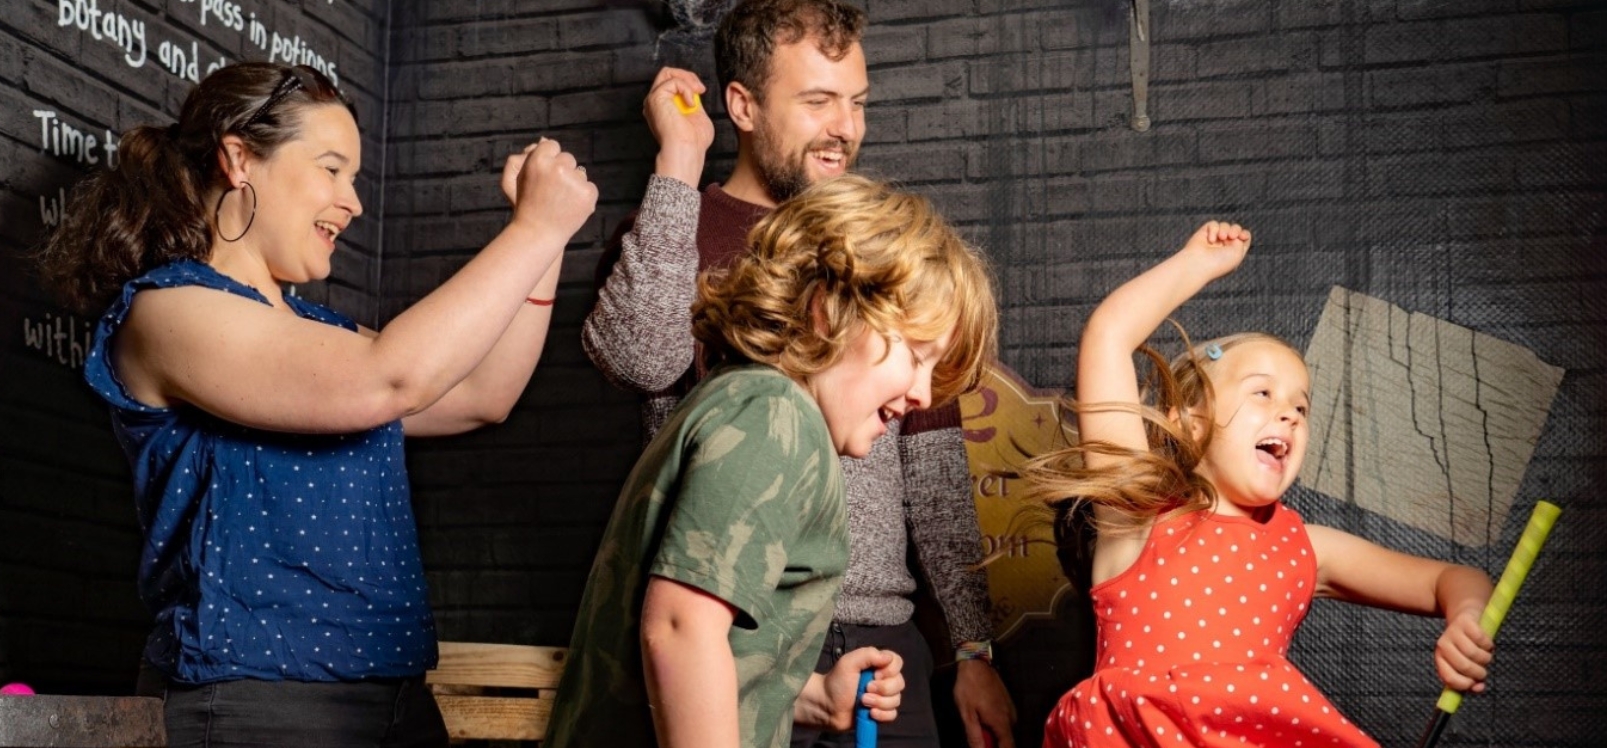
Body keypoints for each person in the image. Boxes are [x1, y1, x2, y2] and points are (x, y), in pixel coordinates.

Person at [35, 62, 596, 746]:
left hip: (391, 705)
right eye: (332, 169)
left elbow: (482, 394)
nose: (352, 201)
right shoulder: (168, 310)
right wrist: (532, 230)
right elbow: (392, 380)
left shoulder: (322, 336)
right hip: (254, 706)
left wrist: (547, 244)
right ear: (239, 158)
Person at [581, 1, 1017, 745]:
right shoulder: (674, 226)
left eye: (856, 103)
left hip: (880, 642)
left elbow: (935, 470)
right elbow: (639, 360)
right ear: (742, 105)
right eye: (818, 101)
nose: (844, 126)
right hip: (735, 624)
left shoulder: (885, 247)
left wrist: (970, 651)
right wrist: (679, 166)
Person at [547, 174, 999, 748]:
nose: (923, 395)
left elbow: (713, 659)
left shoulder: (746, 402)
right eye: (915, 355)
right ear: (827, 310)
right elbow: (681, 628)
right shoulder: (777, 416)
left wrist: (807, 695)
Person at [1022, 222, 1498, 746]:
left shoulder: (1303, 546)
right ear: (1189, 421)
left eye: (1301, 405)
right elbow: (1109, 335)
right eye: (1263, 394)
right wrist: (1196, 264)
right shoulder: (1137, 512)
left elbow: (1451, 579)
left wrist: (1467, 616)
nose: (1289, 414)